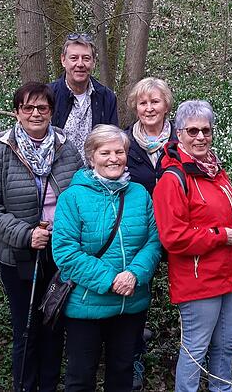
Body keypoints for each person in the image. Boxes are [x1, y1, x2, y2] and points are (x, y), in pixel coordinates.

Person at [0, 82, 81, 392]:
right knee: (26, 326)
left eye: (43, 108)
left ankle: (48, 384)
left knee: (54, 325)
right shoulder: (0, 152)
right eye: (28, 108)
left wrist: (64, 231)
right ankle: (25, 385)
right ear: (16, 112)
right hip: (18, 255)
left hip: (59, 253)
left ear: (51, 112)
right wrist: (25, 233)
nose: (36, 113)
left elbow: (80, 196)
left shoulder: (67, 149)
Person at [152, 100, 232, 392]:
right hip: (198, 282)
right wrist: (219, 235)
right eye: (192, 131)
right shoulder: (173, 179)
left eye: (206, 130)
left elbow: (228, 212)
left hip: (229, 276)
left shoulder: (214, 170)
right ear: (179, 134)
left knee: (225, 348)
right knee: (195, 351)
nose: (200, 137)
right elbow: (173, 236)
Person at [51, 125, 162, 392]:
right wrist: (111, 279)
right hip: (86, 304)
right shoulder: (72, 198)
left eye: (119, 152)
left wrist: (134, 274)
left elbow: (154, 241)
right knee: (80, 375)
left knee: (122, 372)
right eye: (105, 152)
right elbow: (65, 252)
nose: (113, 158)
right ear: (91, 157)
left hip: (130, 303)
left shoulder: (139, 194)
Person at [123, 77, 176, 390]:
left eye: (155, 101)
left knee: (186, 288)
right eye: (143, 103)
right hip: (138, 232)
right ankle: (132, 357)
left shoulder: (181, 140)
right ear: (135, 107)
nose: (149, 108)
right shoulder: (125, 143)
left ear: (166, 105)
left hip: (176, 228)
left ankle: (192, 352)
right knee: (137, 292)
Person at [49, 33, 118, 158]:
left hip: (94, 175)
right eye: (74, 58)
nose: (80, 64)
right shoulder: (48, 95)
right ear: (63, 60)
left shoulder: (106, 98)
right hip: (57, 174)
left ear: (93, 62)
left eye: (86, 58)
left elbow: (112, 142)